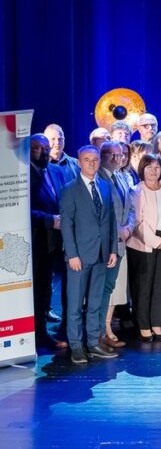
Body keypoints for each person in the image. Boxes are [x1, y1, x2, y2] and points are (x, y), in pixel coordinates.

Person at [59, 146, 119, 363]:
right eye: (87, 159)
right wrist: (72, 255)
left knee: (95, 302)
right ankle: (76, 346)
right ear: (79, 163)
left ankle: (93, 342)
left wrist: (113, 249)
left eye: (95, 159)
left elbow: (111, 221)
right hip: (80, 257)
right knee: (75, 304)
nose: (92, 163)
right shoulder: (70, 189)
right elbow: (67, 225)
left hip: (102, 255)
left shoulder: (104, 186)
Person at [125, 152, 161, 342]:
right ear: (142, 169)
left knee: (159, 285)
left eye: (157, 167)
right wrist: (157, 241)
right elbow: (138, 222)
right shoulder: (136, 190)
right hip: (144, 244)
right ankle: (143, 325)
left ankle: (156, 324)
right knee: (144, 286)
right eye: (149, 167)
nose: (153, 171)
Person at [29, 134, 66, 348]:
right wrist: (50, 220)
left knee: (49, 289)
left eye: (45, 147)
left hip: (58, 241)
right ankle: (38, 334)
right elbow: (22, 210)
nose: (43, 152)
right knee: (39, 289)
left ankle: (44, 331)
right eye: (37, 148)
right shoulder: (22, 175)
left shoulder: (56, 171)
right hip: (36, 240)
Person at [97, 142, 135, 349]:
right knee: (101, 291)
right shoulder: (97, 177)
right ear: (102, 155)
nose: (115, 158)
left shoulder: (120, 177)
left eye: (119, 155)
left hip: (121, 243)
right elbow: (99, 212)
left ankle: (104, 330)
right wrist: (116, 231)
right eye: (110, 154)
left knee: (110, 289)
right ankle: (98, 333)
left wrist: (128, 228)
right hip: (104, 245)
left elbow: (131, 208)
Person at [44, 123, 80, 187]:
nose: (57, 142)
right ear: (45, 141)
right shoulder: (40, 166)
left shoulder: (76, 164)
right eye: (53, 139)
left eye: (60, 139)